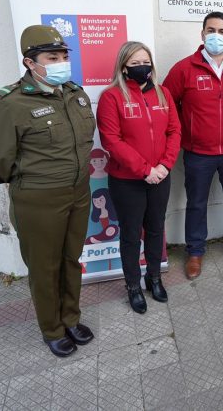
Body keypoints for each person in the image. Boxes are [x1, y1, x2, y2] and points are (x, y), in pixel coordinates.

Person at [0, 24, 96, 357]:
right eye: (51, 57)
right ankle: (52, 328)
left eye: (63, 56)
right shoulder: (11, 104)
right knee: (45, 266)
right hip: (38, 200)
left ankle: (70, 318)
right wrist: (31, 179)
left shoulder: (75, 94)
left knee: (71, 259)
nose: (60, 62)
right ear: (30, 62)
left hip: (78, 193)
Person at [162, 11, 223, 279]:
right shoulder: (183, 69)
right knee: (196, 203)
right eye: (211, 30)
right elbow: (168, 107)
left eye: (222, 31)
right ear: (202, 34)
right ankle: (195, 252)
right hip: (197, 153)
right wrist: (184, 133)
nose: (216, 35)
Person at [97, 41, 180, 313]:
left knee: (156, 229)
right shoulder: (112, 97)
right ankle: (133, 285)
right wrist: (146, 170)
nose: (141, 67)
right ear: (124, 67)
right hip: (128, 181)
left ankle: (153, 278)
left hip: (161, 176)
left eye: (145, 62)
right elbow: (112, 140)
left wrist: (165, 166)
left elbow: (174, 132)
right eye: (135, 63)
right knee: (132, 235)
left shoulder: (163, 93)